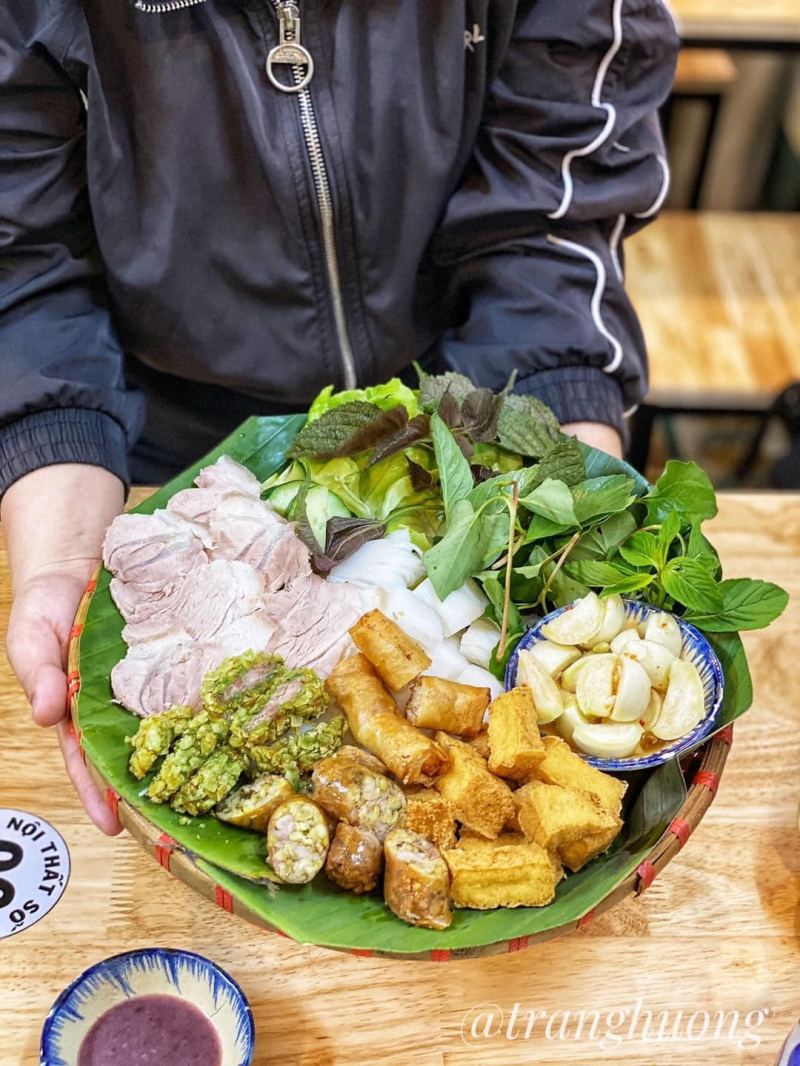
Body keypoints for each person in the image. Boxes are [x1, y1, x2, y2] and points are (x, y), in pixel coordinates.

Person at [0, 1, 679, 832]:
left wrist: (561, 524)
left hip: (459, 419)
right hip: (159, 450)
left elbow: (547, 224)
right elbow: (22, 264)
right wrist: (60, 543)